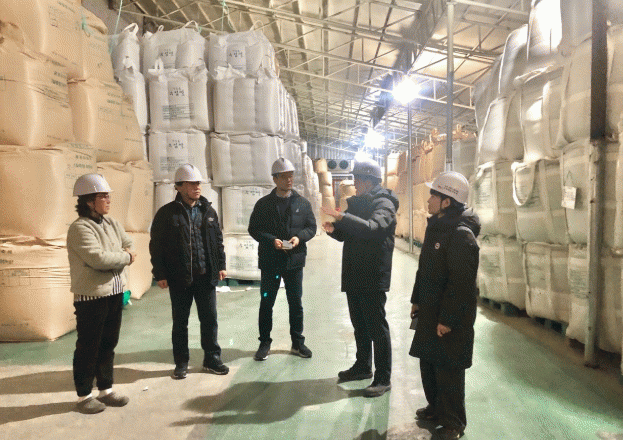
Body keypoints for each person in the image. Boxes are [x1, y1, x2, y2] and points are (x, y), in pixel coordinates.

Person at [409, 171, 480, 440]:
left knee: (448, 368)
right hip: (430, 308)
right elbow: (424, 269)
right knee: (429, 362)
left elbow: (461, 286)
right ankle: (436, 407)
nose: (428, 200)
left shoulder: (461, 235)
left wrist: (448, 320)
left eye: (433, 195)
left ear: (447, 201)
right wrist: (416, 299)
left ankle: (454, 422)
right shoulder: (436, 227)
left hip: (449, 316)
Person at [321, 157, 398, 398]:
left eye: (358, 179)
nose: (355, 184)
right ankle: (363, 366)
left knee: (376, 327)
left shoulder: (384, 203)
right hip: (354, 272)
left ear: (370, 180)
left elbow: (372, 228)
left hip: (373, 274)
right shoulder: (358, 203)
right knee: (359, 324)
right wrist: (334, 230)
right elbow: (349, 233)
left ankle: (383, 377)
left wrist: (342, 218)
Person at [150, 164, 228, 380]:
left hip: (206, 276)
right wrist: (160, 273)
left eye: (198, 183)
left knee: (209, 319)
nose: (197, 187)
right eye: (192, 184)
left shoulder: (208, 211)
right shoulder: (167, 214)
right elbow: (156, 245)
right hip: (180, 278)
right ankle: (181, 362)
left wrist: (221, 265)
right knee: (180, 322)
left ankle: (212, 358)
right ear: (179, 186)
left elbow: (217, 241)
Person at [67, 173, 136, 414]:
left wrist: (124, 254)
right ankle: (84, 395)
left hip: (114, 293)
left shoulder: (111, 223)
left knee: (108, 343)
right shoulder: (79, 228)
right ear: (89, 201)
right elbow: (98, 259)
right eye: (103, 196)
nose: (108, 200)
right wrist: (125, 257)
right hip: (92, 297)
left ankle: (105, 390)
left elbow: (129, 242)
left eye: (108, 196)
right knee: (89, 346)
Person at [248, 158, 317, 361]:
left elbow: (311, 227)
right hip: (271, 261)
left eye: (291, 176)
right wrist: (272, 240)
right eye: (284, 176)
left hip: (294, 261)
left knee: (295, 303)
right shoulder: (263, 205)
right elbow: (254, 229)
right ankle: (264, 343)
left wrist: (300, 237)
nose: (289, 180)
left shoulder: (302, 203)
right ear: (275, 179)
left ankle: (297, 343)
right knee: (266, 302)